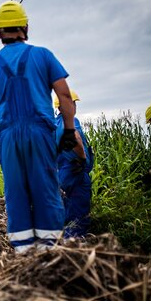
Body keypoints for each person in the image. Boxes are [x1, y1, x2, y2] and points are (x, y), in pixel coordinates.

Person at [0, 0, 78, 253]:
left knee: (16, 192)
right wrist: (67, 129)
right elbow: (64, 96)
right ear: (25, 27)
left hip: (8, 136)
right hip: (41, 132)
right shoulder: (43, 55)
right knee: (46, 188)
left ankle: (23, 253)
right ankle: (49, 251)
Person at [54, 90, 94, 238]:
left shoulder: (54, 124)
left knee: (69, 215)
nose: (75, 106)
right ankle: (74, 251)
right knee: (79, 218)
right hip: (76, 173)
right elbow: (75, 137)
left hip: (63, 175)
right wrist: (83, 158)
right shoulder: (69, 121)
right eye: (73, 103)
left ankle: (64, 249)